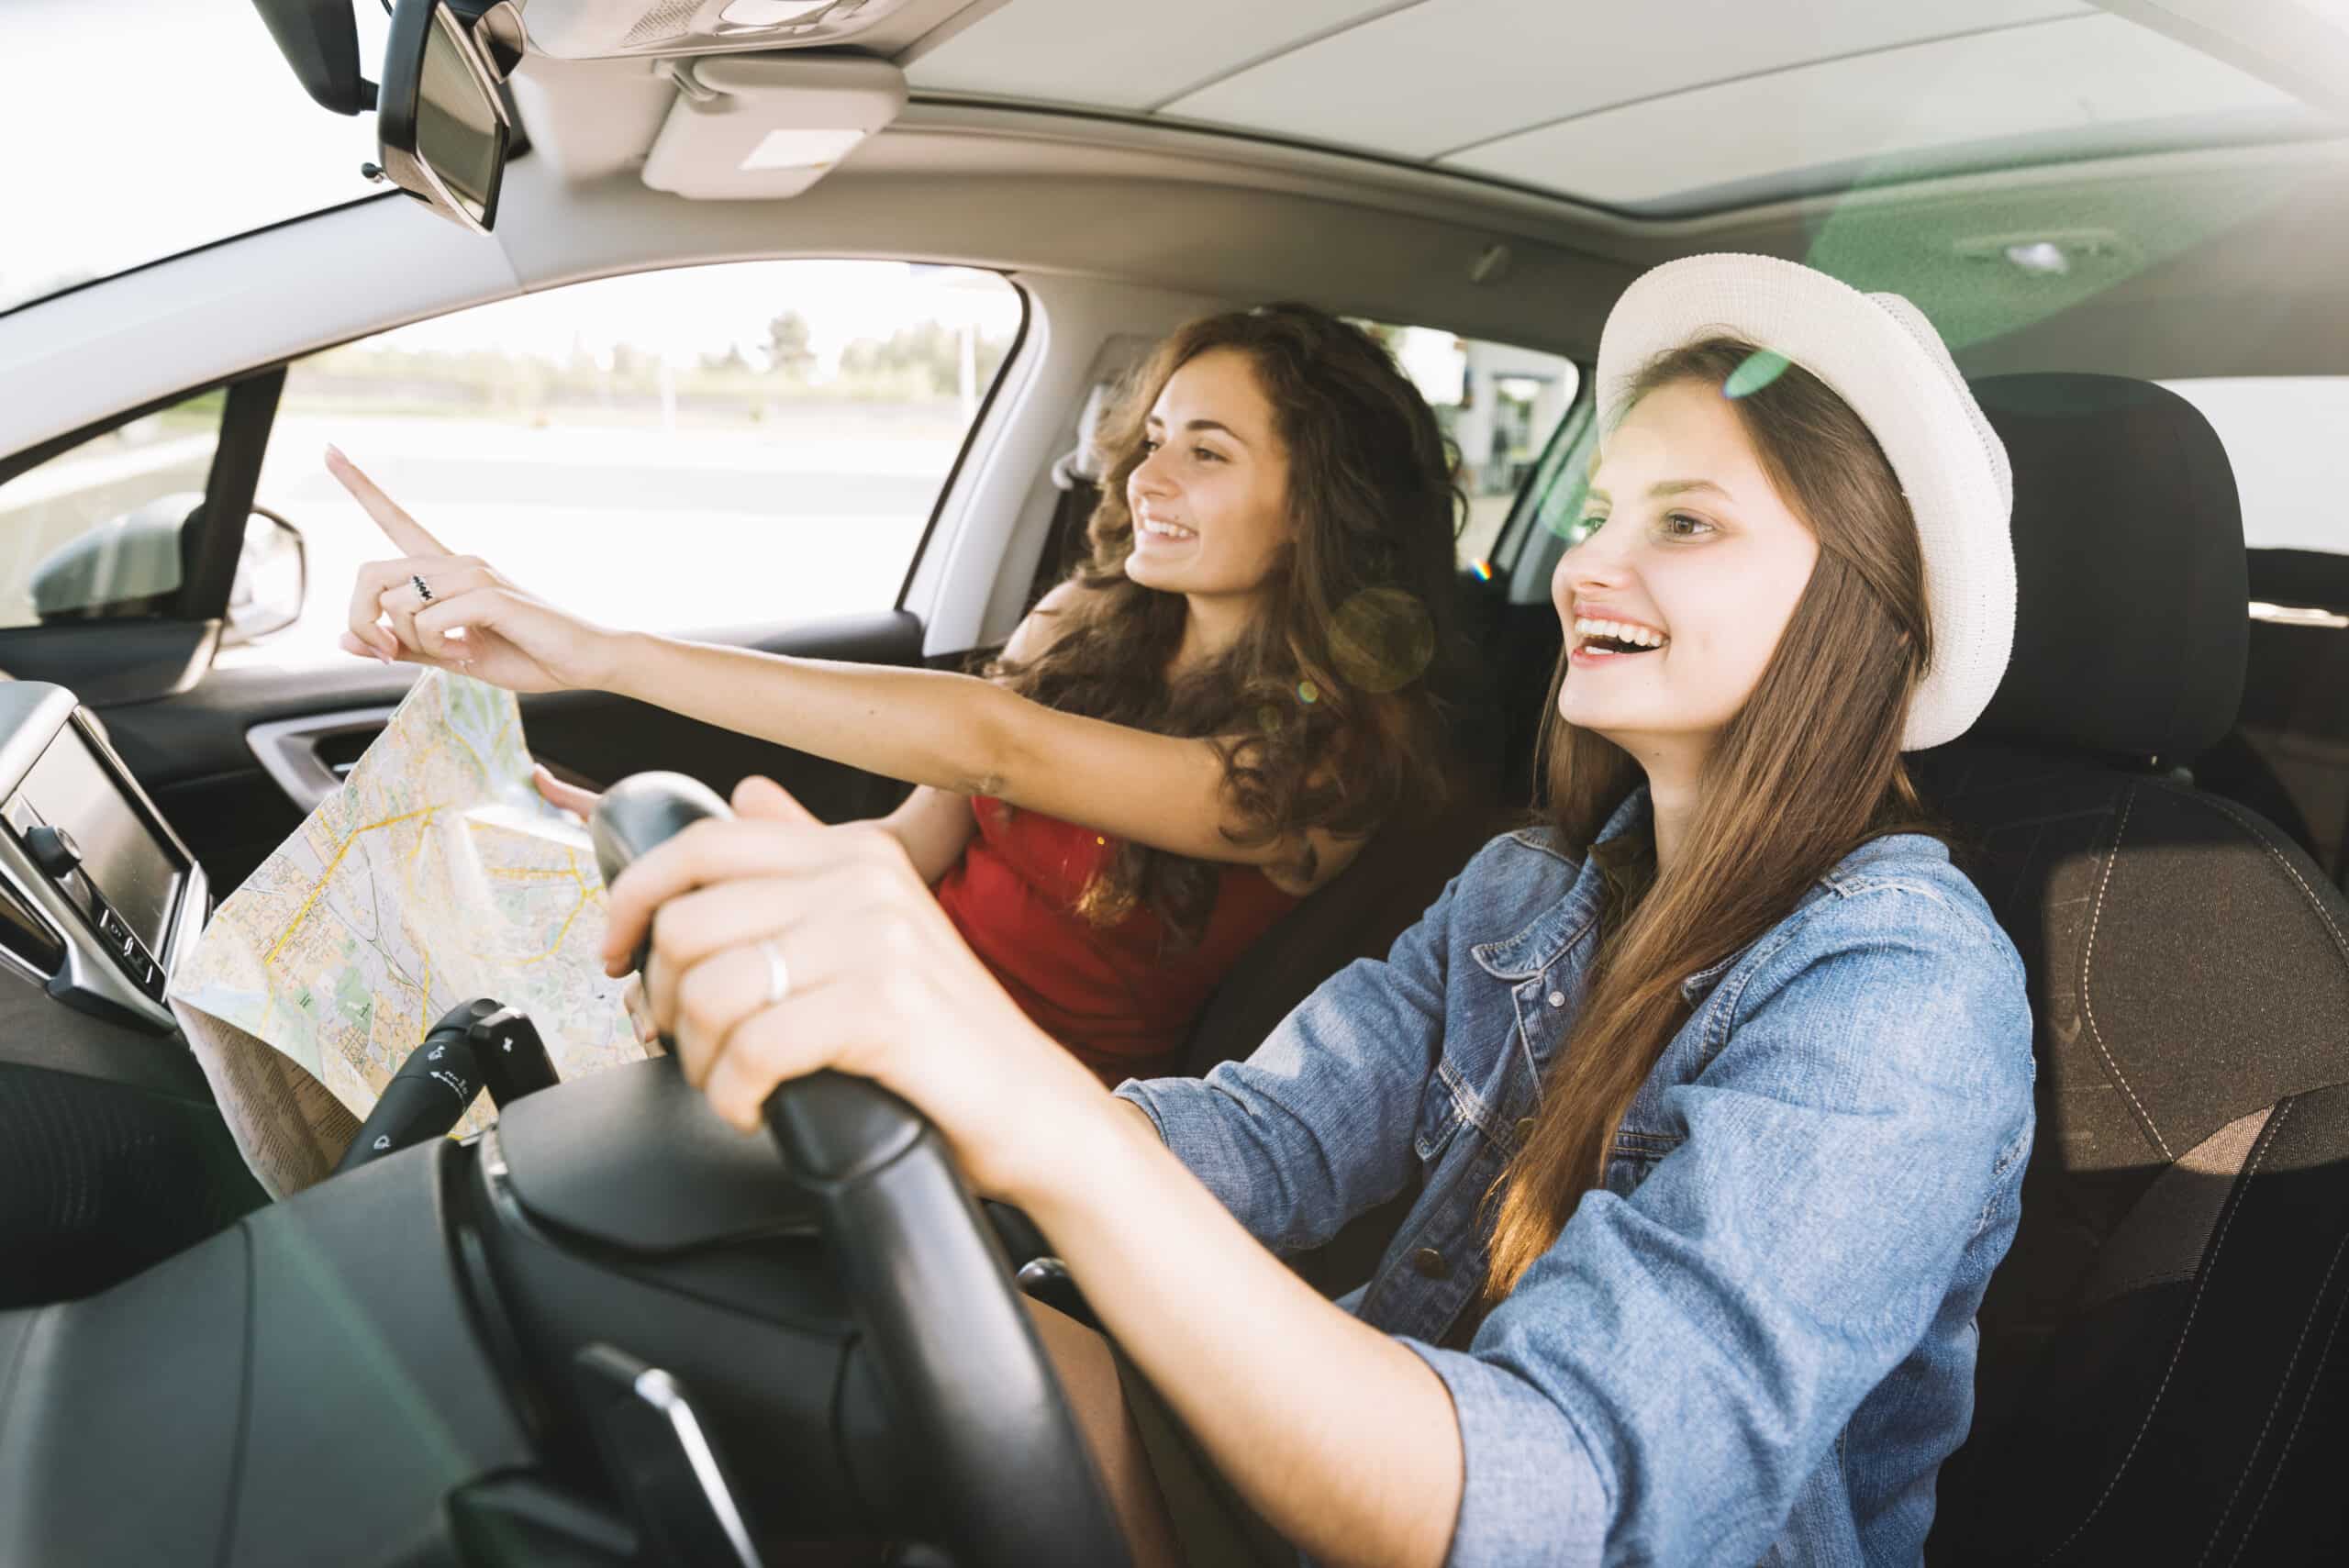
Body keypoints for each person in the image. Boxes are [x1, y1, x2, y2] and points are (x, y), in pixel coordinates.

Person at [598, 254, 2039, 1567]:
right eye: (1600, 513)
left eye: (1686, 522)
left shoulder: (1897, 994)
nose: (1590, 563)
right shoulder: (1525, 893)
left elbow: (1563, 1504)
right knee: (789, 1351)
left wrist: (1023, 1104)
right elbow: (1264, 1134)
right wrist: (909, 1106)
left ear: (1860, 609)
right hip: (1342, 1486)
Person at [328, 304, 1464, 1086]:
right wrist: (732, 858)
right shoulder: (1084, 618)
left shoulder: (1329, 755)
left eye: (1205, 453)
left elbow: (996, 747)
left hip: (1019, 1105)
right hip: (868, 983)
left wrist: (599, 651)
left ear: (1319, 500)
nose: (1144, 478)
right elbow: (912, 844)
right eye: (1151, 437)